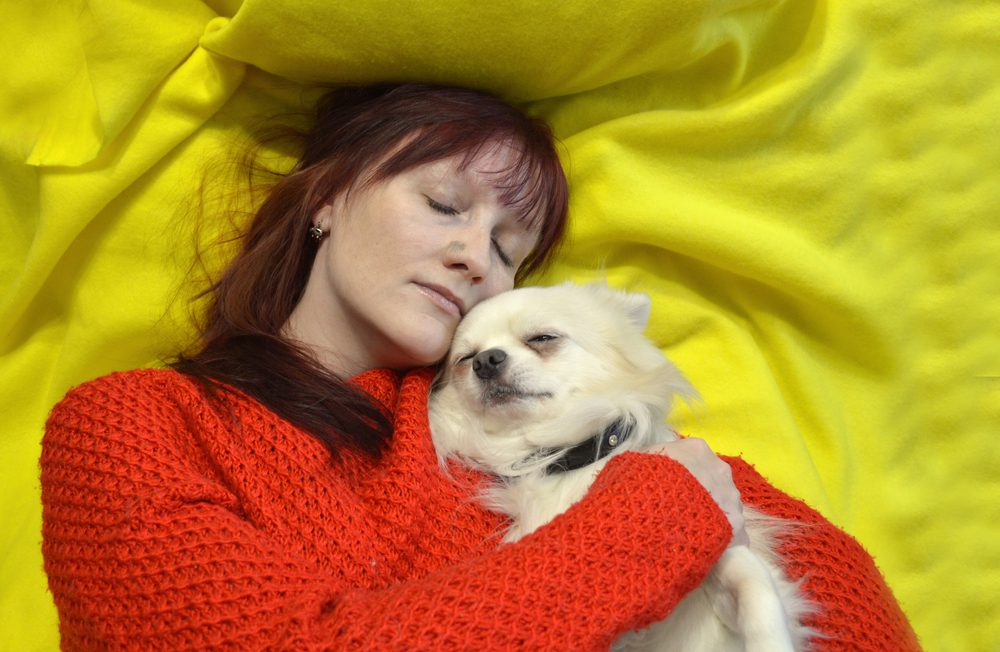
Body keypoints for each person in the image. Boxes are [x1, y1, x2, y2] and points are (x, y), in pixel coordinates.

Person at [40, 83, 919, 650]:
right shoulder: (130, 424)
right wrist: (657, 517)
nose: (476, 258)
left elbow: (845, 593)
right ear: (327, 196)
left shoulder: (519, 410)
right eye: (444, 203)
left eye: (509, 247)